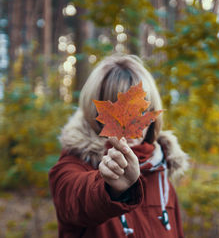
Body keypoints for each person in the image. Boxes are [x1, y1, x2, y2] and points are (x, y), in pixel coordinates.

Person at [49, 53, 189, 238]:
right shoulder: (71, 167)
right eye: (114, 111)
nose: (128, 122)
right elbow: (76, 201)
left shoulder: (160, 171)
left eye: (140, 112)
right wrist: (111, 189)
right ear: (96, 114)